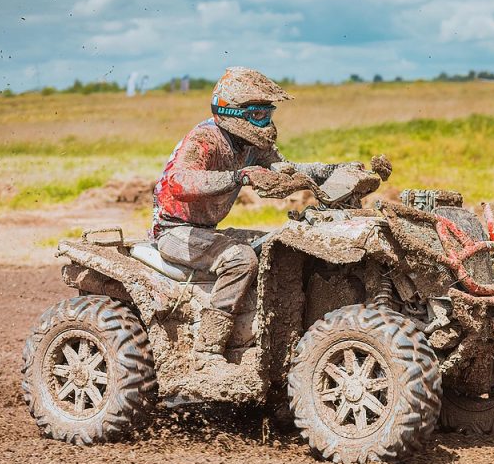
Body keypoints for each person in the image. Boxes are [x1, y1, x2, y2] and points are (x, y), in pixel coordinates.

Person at [151, 66, 352, 371]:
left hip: (207, 229)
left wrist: (334, 170)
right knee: (241, 259)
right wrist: (238, 177)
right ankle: (208, 350)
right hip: (175, 230)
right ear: (231, 112)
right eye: (258, 116)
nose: (266, 125)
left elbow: (285, 169)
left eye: (268, 115)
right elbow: (179, 183)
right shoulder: (206, 138)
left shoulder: (249, 144)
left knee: (278, 242)